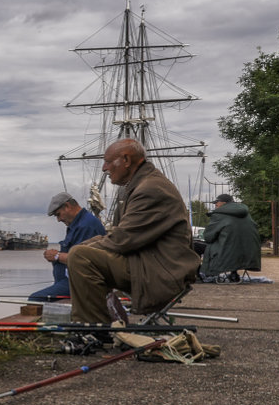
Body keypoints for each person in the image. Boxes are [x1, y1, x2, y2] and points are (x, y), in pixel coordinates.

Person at [65, 138, 201, 326]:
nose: (104, 168)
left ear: (126, 160)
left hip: (161, 270)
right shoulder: (139, 186)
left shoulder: (150, 189)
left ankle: (93, 328)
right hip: (150, 262)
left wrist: (80, 249)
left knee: (81, 257)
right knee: (81, 251)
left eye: (108, 161)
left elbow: (122, 240)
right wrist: (87, 245)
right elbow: (119, 234)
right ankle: (101, 322)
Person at [29, 192, 105, 301]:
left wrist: (56, 256)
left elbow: (82, 260)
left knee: (35, 299)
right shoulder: (79, 223)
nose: (58, 220)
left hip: (82, 282)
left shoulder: (86, 226)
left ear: (67, 206)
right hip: (73, 281)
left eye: (58, 214)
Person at [200, 193, 262, 281]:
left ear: (224, 203)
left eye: (217, 202)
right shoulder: (246, 214)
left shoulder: (218, 215)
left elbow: (208, 237)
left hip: (225, 255)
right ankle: (234, 273)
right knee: (231, 244)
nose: (215, 204)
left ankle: (200, 274)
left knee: (196, 246)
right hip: (250, 255)